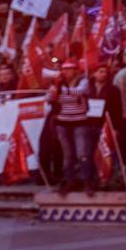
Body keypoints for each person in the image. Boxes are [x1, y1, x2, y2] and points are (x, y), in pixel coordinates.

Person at [46, 60, 90, 196]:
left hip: (79, 122)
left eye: (69, 69)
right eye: (64, 70)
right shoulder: (58, 84)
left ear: (75, 70)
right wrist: (53, 93)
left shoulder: (83, 81)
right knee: (68, 155)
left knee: (81, 153)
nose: (66, 72)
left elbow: (80, 92)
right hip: (63, 123)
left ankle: (87, 182)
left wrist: (61, 90)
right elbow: (48, 98)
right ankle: (69, 181)